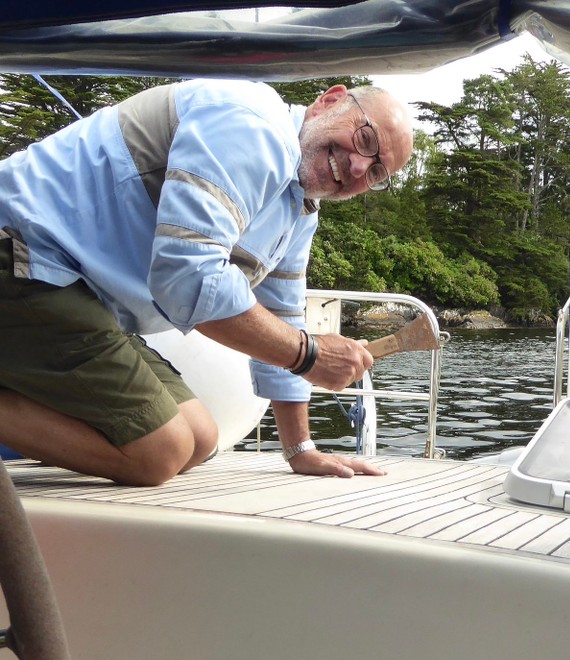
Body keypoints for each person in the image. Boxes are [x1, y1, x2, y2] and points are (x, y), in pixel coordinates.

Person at [0, 79, 414, 486]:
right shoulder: (252, 122)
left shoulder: (300, 210)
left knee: (200, 437)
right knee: (159, 452)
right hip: (24, 250)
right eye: (365, 139)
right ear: (330, 100)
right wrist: (308, 355)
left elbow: (282, 313)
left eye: (377, 172)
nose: (360, 167)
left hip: (80, 293)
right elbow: (187, 274)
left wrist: (300, 449)